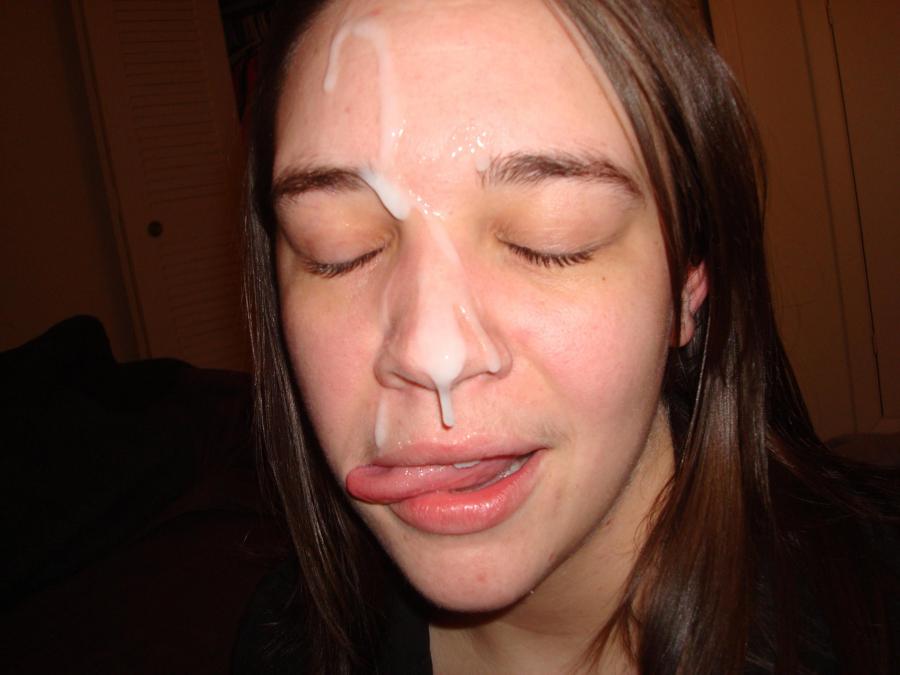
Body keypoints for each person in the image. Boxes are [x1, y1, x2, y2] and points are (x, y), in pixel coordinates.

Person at [234, 0, 898, 672]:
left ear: (688, 283)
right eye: (337, 249)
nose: (433, 355)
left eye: (550, 238)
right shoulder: (280, 644)